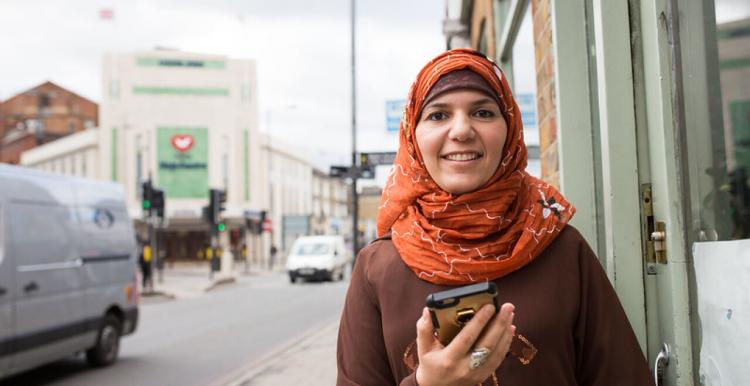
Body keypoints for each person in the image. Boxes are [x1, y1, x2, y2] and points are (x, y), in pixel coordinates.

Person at [336, 49, 653, 386]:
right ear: (412, 136)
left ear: (510, 129)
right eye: (438, 115)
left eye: (483, 112)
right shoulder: (379, 267)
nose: (461, 130)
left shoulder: (559, 247)